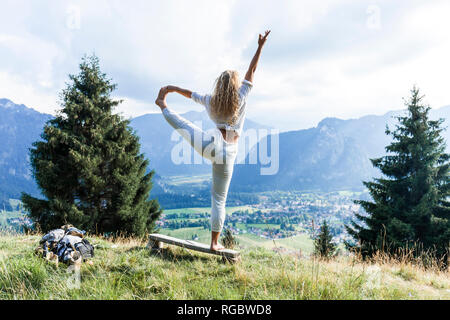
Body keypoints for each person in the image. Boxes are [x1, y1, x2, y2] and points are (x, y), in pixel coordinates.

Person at [155, 30, 271, 251]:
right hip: (228, 152)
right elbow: (252, 70)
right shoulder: (242, 96)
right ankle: (214, 243)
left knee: (183, 126)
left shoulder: (211, 100)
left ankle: (162, 105)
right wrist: (260, 46)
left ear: (220, 84)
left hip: (210, 145)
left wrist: (170, 89)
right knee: (219, 198)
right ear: (235, 85)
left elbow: (190, 94)